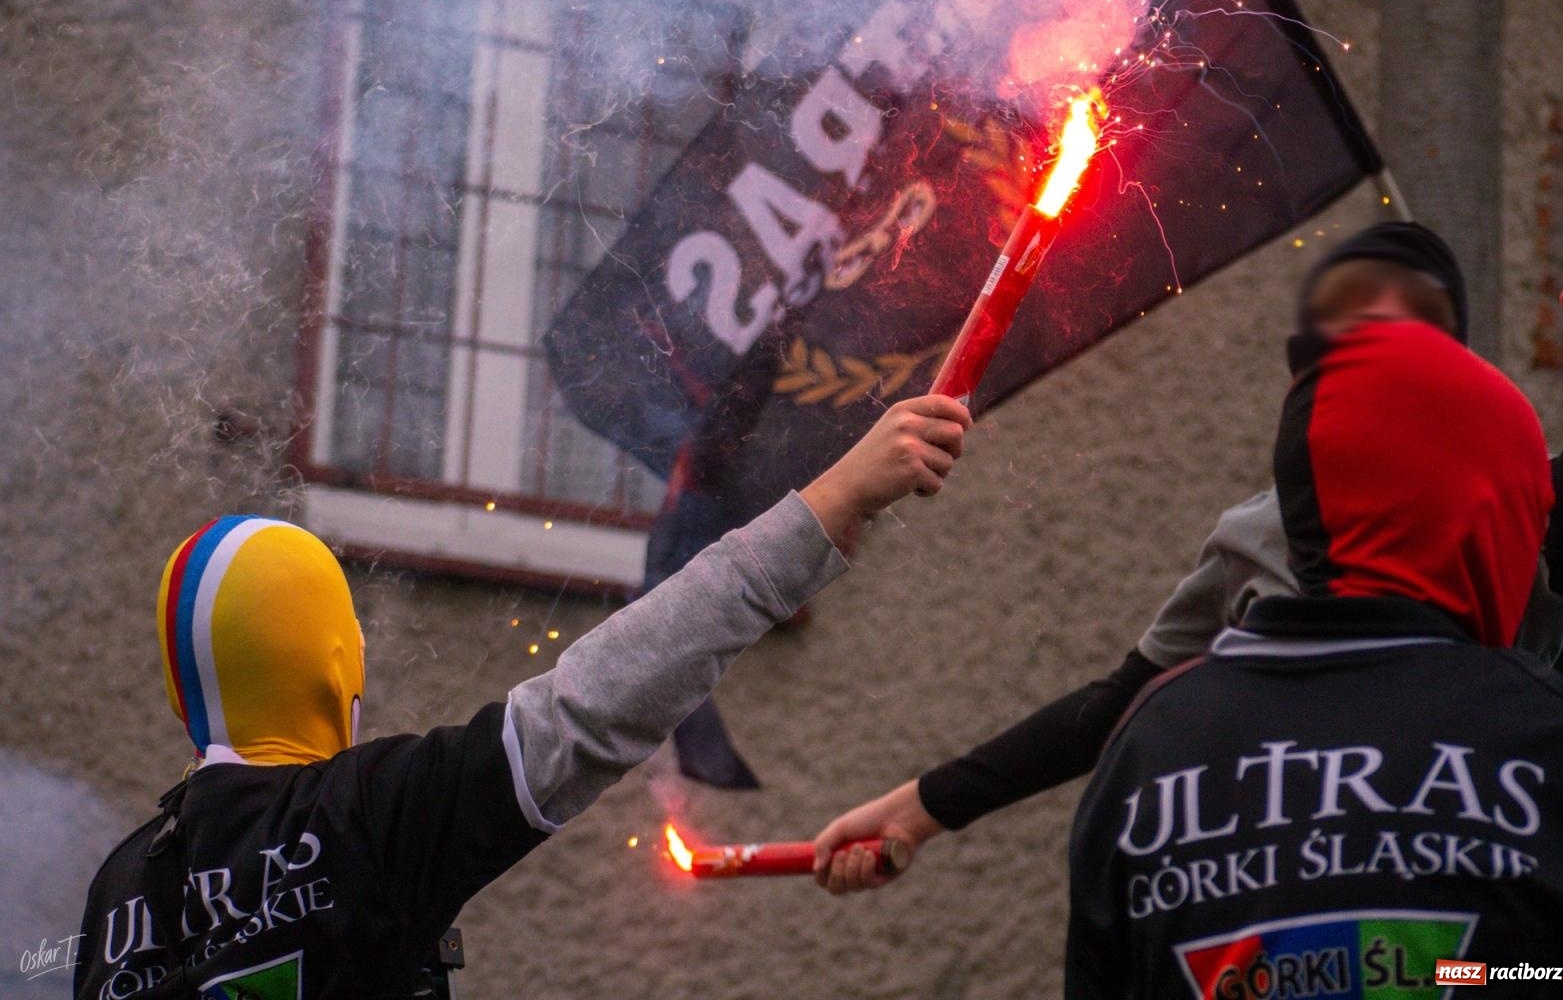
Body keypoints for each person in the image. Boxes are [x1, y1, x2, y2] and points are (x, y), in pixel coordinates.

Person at [73, 394, 971, 1000]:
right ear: (333, 664)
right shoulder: (366, 820)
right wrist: (834, 496)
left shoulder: (121, 890)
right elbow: (597, 702)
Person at [812, 222, 1563, 893]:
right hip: (1291, 893)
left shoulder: (1506, 497)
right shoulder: (1255, 536)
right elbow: (1120, 702)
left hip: (1466, 902)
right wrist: (925, 806)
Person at [1065, 318, 1563, 995]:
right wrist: (1454, 972)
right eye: (1530, 508)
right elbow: (1545, 976)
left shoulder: (1148, 750)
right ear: (1486, 515)